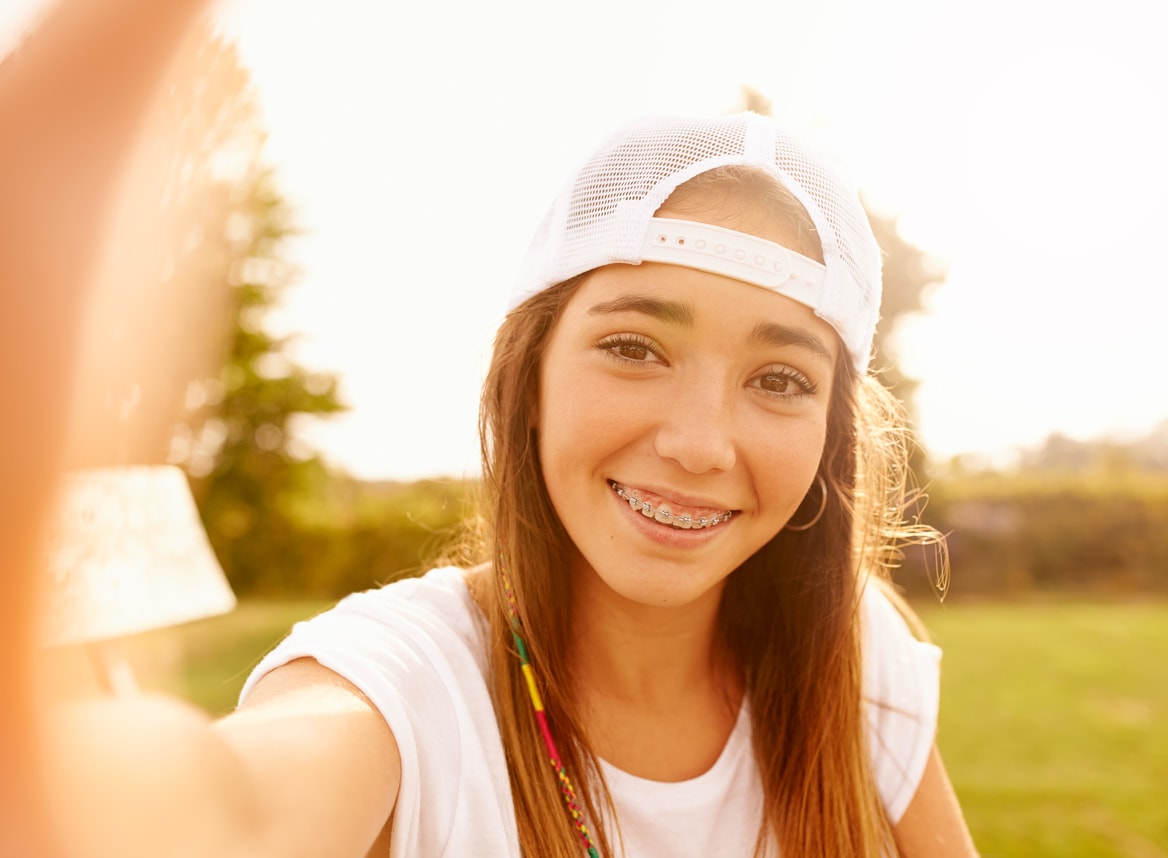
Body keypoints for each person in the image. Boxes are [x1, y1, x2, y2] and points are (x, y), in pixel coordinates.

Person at [228, 113, 977, 857]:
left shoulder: (851, 652)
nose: (699, 445)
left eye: (779, 379)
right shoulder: (402, 690)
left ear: (829, 436)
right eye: (634, 348)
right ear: (528, 383)